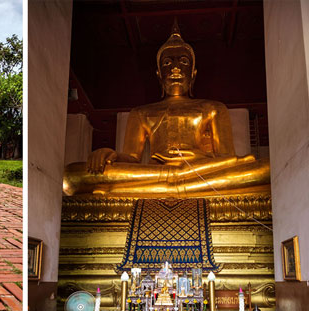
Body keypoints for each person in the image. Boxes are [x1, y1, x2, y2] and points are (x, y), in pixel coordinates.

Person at [62, 21, 270, 197]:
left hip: (200, 170)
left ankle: (164, 185)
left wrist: (195, 162)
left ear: (194, 74)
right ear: (159, 75)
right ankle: (179, 184)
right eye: (168, 63)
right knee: (72, 175)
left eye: (184, 61)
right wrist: (110, 154)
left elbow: (227, 159)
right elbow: (132, 160)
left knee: (268, 169)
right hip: (156, 172)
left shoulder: (213, 108)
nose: (176, 68)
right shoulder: (141, 113)